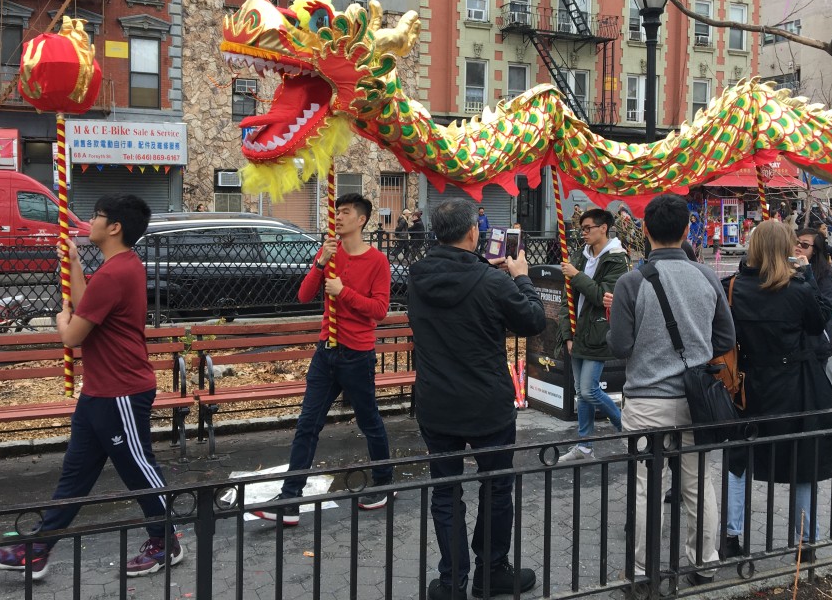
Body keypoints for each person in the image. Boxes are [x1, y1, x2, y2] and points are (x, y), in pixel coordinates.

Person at [0, 195, 183, 580]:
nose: (88, 221)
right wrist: (74, 263)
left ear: (114, 227)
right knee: (75, 476)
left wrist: (61, 320)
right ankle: (38, 548)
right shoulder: (120, 266)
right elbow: (88, 303)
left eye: (96, 215)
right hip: (99, 392)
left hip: (121, 391)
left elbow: (74, 334)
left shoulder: (116, 272)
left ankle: (165, 540)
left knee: (139, 468)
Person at [408, 198, 546, 599]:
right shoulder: (493, 281)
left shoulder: (417, 276)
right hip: (488, 403)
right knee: (496, 487)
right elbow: (533, 320)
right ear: (473, 232)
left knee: (446, 490)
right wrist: (520, 278)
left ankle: (452, 582)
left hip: (437, 403)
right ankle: (492, 570)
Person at [607, 193, 736, 587]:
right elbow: (726, 336)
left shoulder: (631, 282)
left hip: (646, 401)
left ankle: (645, 571)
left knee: (647, 487)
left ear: (644, 231)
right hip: (696, 400)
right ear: (686, 231)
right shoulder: (707, 276)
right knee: (699, 483)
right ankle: (705, 562)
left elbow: (620, 346)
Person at [251, 193, 393, 524]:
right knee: (307, 424)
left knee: (369, 420)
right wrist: (319, 263)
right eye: (336, 211)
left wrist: (343, 292)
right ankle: (289, 499)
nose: (338, 217)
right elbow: (303, 295)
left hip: (357, 355)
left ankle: (385, 482)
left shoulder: (377, 262)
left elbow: (379, 310)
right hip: (325, 353)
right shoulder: (329, 253)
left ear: (361, 220)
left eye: (345, 212)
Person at [721, 221, 832, 561]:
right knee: (801, 460)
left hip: (749, 383)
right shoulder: (797, 289)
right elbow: (819, 320)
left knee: (740, 460)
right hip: (795, 382)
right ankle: (805, 542)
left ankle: (732, 535)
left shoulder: (734, 287)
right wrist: (807, 277)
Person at [556, 208, 626, 461]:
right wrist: (568, 335)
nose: (583, 233)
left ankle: (627, 428)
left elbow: (602, 297)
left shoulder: (617, 259)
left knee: (589, 390)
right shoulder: (580, 256)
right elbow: (567, 300)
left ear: (603, 228)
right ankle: (585, 446)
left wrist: (577, 276)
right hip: (577, 333)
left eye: (588, 228)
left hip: (597, 332)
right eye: (581, 229)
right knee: (580, 391)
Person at [795, 227, 832, 394]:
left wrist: (806, 272)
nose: (798, 247)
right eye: (795, 242)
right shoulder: (783, 268)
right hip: (794, 343)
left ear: (815, 251)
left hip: (818, 341)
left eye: (804, 245)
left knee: (820, 390)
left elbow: (825, 308)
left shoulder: (823, 273)